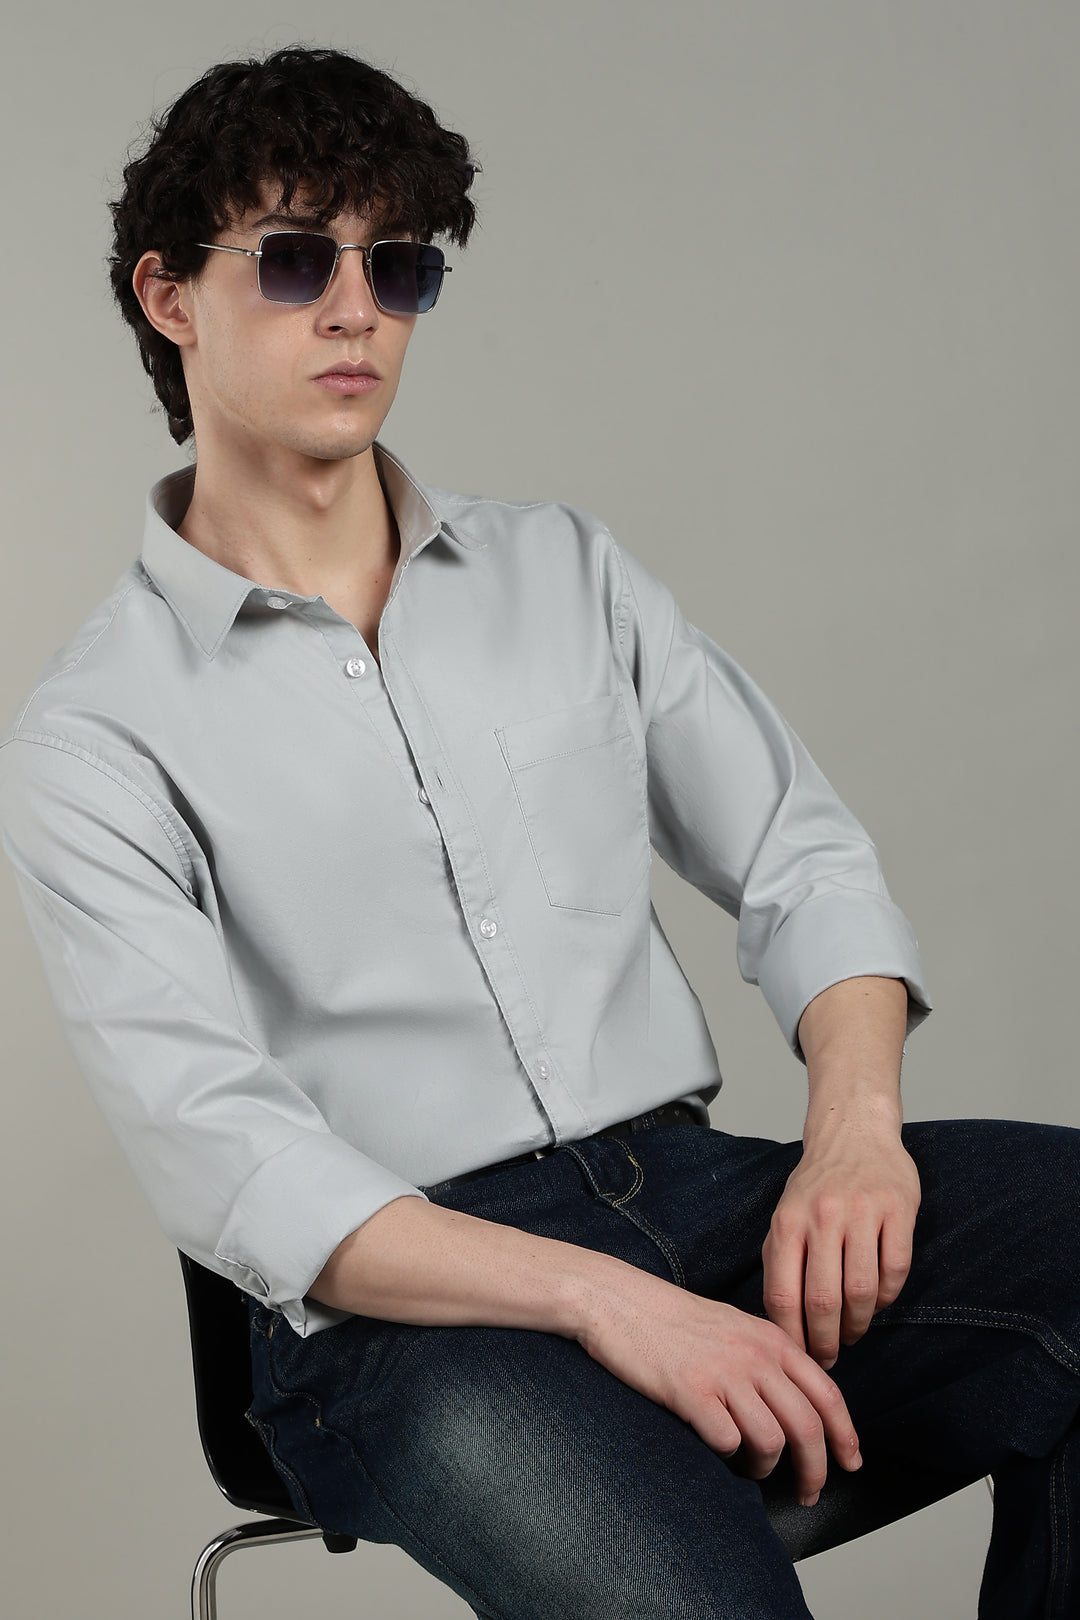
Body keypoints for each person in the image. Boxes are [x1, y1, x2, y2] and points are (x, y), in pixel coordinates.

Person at [0, 44, 1077, 1619]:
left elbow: (804, 859)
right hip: (399, 1316)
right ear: (170, 296)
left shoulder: (565, 574)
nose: (356, 310)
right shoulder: (96, 731)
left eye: (396, 264)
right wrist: (602, 1303)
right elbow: (224, 1151)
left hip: (702, 1195)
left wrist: (854, 1130)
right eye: (295, 260)